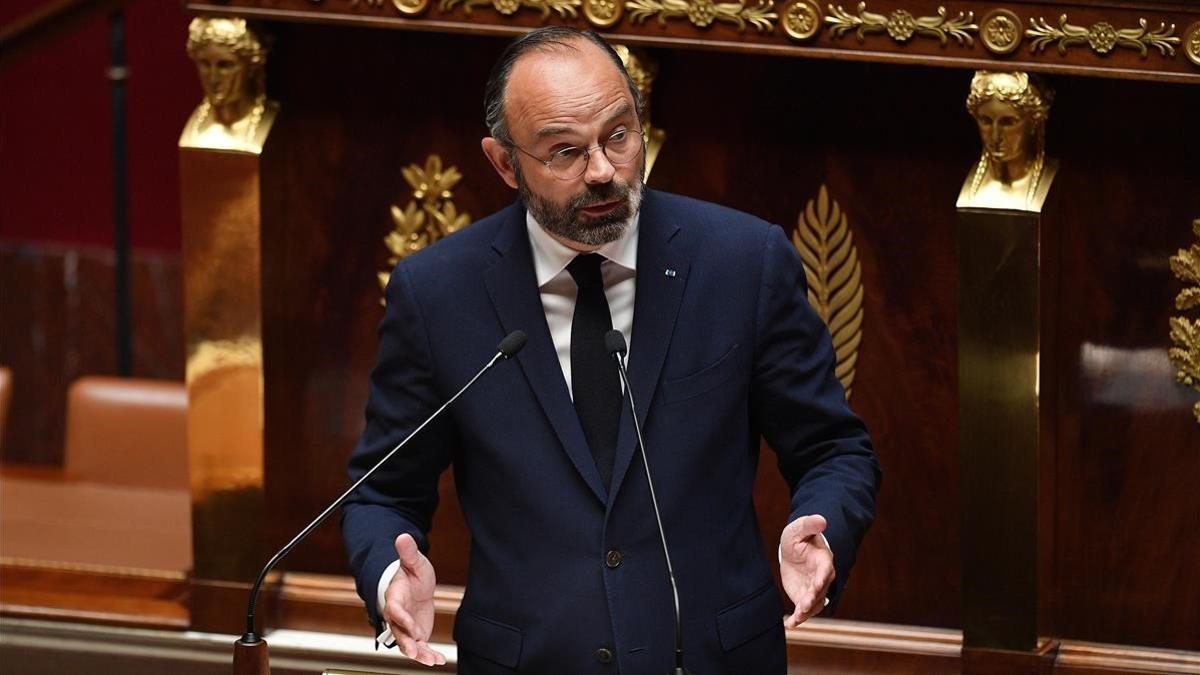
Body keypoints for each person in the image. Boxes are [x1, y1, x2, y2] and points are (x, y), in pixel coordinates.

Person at [342, 27, 880, 674]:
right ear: (505, 162)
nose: (602, 171)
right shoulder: (438, 294)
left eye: (619, 136)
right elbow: (382, 491)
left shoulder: (742, 263)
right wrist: (387, 577)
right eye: (565, 151)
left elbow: (833, 448)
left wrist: (822, 527)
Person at [959, 70, 1056, 211]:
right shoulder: (969, 183)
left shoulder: (1052, 176)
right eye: (985, 121)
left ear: (1034, 121)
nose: (995, 137)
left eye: (1008, 122)